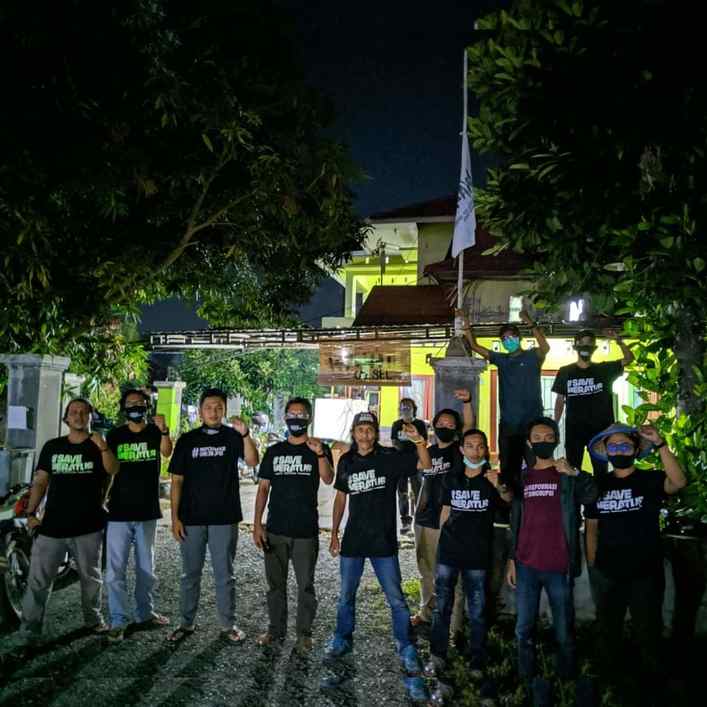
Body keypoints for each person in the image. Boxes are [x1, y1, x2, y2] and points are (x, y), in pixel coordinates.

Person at [325, 412, 432, 702]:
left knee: (396, 598)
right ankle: (342, 638)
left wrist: (419, 441)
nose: (365, 434)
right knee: (346, 595)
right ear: (354, 433)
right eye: (360, 429)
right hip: (353, 541)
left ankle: (405, 645)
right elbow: (340, 497)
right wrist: (334, 533)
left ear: (375, 433)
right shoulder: (347, 461)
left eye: (369, 429)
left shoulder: (389, 457)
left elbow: (425, 464)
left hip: (383, 542)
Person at [584, 422, 686, 680]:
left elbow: (678, 481)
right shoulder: (598, 484)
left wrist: (660, 444)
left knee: (648, 631)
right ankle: (610, 684)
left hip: (645, 571)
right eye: (614, 446)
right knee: (608, 630)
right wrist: (593, 564)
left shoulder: (650, 479)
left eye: (625, 445)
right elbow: (592, 528)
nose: (619, 450)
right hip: (608, 571)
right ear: (606, 452)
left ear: (636, 449)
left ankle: (652, 683)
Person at [506, 417, 597, 692]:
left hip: (559, 565)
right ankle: (527, 681)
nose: (543, 442)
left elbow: (592, 495)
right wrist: (511, 559)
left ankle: (566, 681)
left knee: (564, 629)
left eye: (549, 437)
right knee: (523, 628)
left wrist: (575, 473)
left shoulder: (565, 475)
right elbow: (515, 521)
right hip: (526, 565)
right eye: (537, 438)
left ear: (556, 440)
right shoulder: (523, 478)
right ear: (529, 442)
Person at [19, 398, 119, 640]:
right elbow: (41, 481)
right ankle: (29, 631)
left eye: (84, 412)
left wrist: (103, 447)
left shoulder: (98, 447)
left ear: (90, 417)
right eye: (74, 412)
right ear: (66, 418)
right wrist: (31, 514)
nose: (79, 415)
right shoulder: (53, 446)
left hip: (88, 526)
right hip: (52, 526)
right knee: (38, 581)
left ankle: (93, 620)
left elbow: (113, 470)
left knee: (91, 578)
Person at [167, 388, 259, 643]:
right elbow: (176, 482)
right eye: (208, 407)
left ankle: (228, 625)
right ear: (200, 411)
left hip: (224, 517)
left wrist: (246, 434)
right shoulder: (187, 440)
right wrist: (175, 519)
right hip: (191, 518)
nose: (213, 412)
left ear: (225, 410)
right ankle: (186, 623)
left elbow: (253, 461)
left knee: (225, 575)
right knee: (190, 574)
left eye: (219, 407)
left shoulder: (233, 437)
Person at [425, 428, 512, 685]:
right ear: (462, 449)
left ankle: (477, 660)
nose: (475, 450)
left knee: (477, 610)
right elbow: (445, 512)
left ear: (486, 450)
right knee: (442, 606)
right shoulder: (451, 478)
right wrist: (439, 546)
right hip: (449, 553)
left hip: (477, 556)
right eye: (470, 446)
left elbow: (509, 500)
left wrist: (499, 485)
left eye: (480, 446)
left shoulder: (492, 480)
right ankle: (438, 655)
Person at [252, 397, 334, 653]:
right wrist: (257, 525)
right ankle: (275, 631)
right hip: (275, 529)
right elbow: (263, 489)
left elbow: (328, 478)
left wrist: (319, 453)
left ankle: (304, 634)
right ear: (285, 418)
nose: (296, 418)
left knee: (305, 586)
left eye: (301, 414)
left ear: (309, 418)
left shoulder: (319, 448)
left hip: (305, 531)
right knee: (275, 586)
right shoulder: (274, 451)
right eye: (292, 414)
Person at [104, 388, 173, 642]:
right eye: (131, 403)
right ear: (124, 408)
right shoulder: (115, 435)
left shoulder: (154, 432)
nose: (135, 406)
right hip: (118, 510)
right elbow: (109, 469)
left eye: (140, 403)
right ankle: (118, 619)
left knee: (146, 567)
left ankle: (145, 612)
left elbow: (167, 452)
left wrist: (164, 430)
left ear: (147, 406)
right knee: (115, 570)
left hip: (147, 510)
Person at [458, 308, 550, 492]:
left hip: (533, 424)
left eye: (512, 337)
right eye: (504, 339)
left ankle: (536, 500)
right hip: (509, 425)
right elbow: (475, 346)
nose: (509, 341)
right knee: (508, 470)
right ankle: (510, 504)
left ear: (519, 338)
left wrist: (529, 322)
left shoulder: (532, 356)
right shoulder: (501, 359)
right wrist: (466, 325)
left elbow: (545, 348)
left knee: (537, 466)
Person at [411, 389, 474, 628]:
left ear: (456, 429)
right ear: (433, 426)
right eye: (440, 423)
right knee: (425, 570)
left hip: (447, 518)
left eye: (450, 424)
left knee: (448, 573)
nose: (444, 426)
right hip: (424, 516)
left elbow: (469, 426)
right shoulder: (428, 451)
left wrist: (467, 402)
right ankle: (426, 613)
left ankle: (452, 625)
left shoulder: (459, 449)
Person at [553, 329, 633, 474]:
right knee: (572, 470)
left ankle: (600, 490)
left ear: (594, 347)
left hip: (600, 433)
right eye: (582, 343)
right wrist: (554, 425)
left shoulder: (604, 369)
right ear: (575, 346)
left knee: (601, 472)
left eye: (590, 343)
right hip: (574, 431)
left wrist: (618, 339)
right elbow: (560, 400)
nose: (586, 347)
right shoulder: (565, 371)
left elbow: (628, 358)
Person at [391, 398, 427, 534]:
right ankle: (406, 522)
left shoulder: (420, 424)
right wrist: (404, 444)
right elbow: (394, 442)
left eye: (408, 407)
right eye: (403, 407)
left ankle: (419, 520)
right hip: (400, 463)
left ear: (414, 409)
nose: (405, 409)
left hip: (417, 462)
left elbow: (423, 442)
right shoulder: (396, 424)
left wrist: (414, 441)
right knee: (402, 493)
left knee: (418, 491)